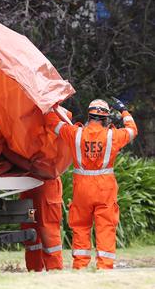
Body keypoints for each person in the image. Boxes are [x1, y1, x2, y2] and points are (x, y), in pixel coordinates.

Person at [46, 98, 138, 269]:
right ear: (105, 118)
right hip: (105, 189)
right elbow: (132, 130)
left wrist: (52, 104)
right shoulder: (113, 135)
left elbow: (53, 123)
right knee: (105, 227)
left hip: (82, 189)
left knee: (80, 226)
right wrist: (123, 110)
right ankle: (105, 266)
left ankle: (80, 266)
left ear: (89, 116)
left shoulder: (75, 133)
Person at [20, 177, 64, 271]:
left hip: (44, 184)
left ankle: (54, 268)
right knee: (31, 228)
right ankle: (35, 268)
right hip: (28, 185)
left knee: (47, 228)